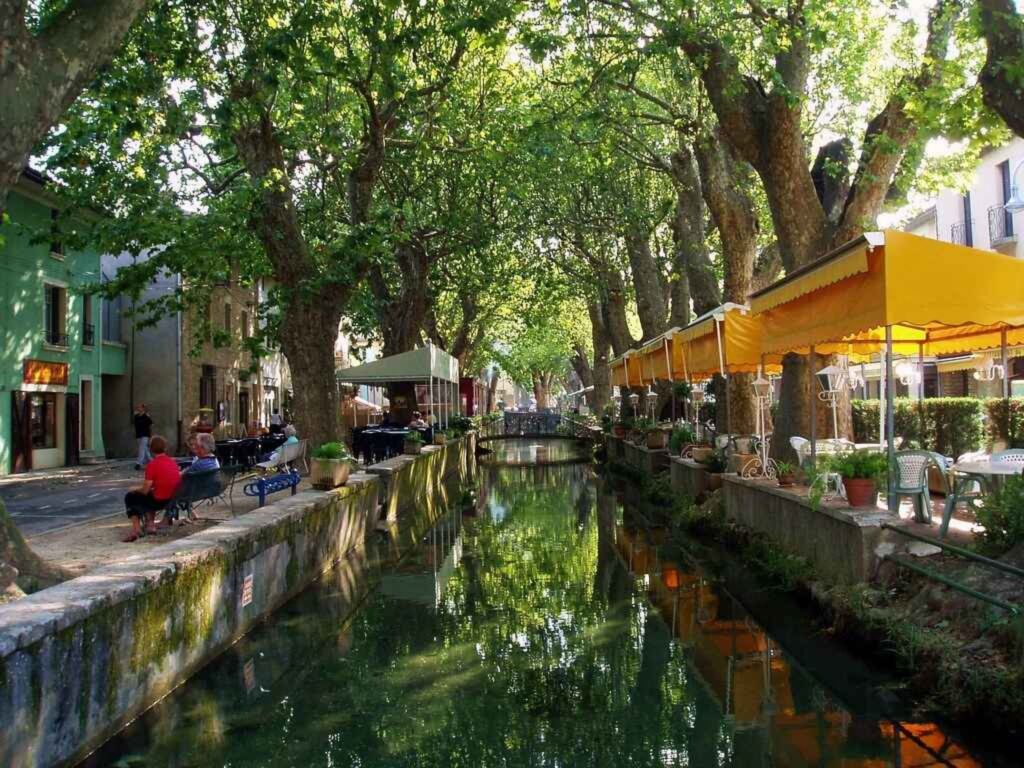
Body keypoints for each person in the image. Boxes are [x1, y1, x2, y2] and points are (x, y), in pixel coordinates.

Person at [123, 435, 179, 542]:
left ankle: (137, 528)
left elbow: (145, 490)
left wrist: (135, 489)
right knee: (150, 494)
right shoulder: (172, 462)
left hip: (158, 500)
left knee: (130, 497)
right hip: (171, 499)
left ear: (151, 449)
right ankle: (150, 524)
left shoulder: (152, 465)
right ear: (165, 448)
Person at [134, 403, 153, 469]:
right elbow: (136, 425)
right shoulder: (136, 416)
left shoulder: (146, 416)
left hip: (145, 434)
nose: (138, 408)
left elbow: (151, 423)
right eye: (138, 407)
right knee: (145, 448)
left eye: (140, 407)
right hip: (138, 434)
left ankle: (139, 463)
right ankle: (151, 460)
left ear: (143, 408)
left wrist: (148, 417)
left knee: (141, 448)